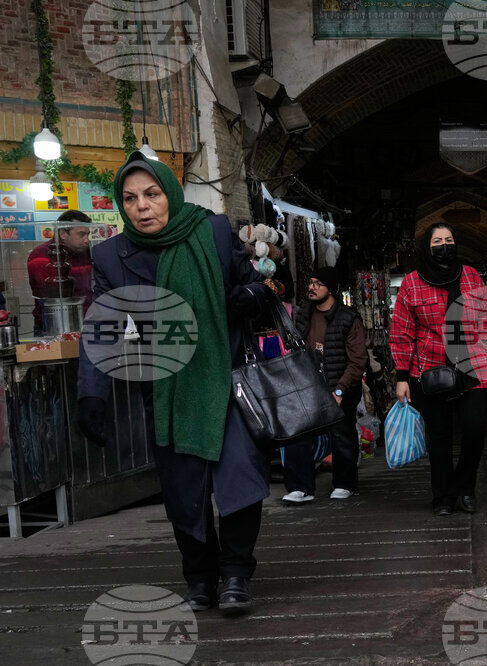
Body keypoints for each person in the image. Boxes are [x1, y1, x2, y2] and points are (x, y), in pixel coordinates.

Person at [76, 152, 271, 615]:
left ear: (170, 193)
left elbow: (259, 287)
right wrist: (91, 392)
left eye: (152, 194)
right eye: (130, 198)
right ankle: (200, 576)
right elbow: (101, 326)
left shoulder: (215, 231)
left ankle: (237, 573)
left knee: (239, 477)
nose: (141, 206)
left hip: (227, 382)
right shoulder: (111, 256)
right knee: (184, 490)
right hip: (167, 388)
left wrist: (248, 294)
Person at [389, 222, 487, 517]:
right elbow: (402, 331)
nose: (444, 245)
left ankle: (465, 488)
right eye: (437, 241)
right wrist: (401, 377)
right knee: (439, 436)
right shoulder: (412, 282)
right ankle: (443, 496)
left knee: (474, 431)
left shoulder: (471, 276)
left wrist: (483, 340)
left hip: (472, 365)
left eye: (448, 239)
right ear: (427, 246)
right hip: (430, 368)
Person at [281, 266, 367, 504]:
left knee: (342, 435)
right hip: (308, 385)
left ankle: (345, 483)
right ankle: (300, 487)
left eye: (318, 283)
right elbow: (295, 350)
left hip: (341, 386)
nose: (311, 287)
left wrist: (339, 390)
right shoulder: (303, 315)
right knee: (298, 434)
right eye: (310, 282)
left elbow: (358, 361)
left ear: (331, 289)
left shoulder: (348, 318)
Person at [27, 209, 93, 335]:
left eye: (88, 234)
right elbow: (54, 289)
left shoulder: (86, 253)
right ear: (63, 233)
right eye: (81, 234)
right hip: (53, 325)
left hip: (87, 323)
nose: (87, 240)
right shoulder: (40, 255)